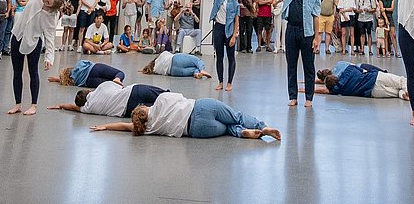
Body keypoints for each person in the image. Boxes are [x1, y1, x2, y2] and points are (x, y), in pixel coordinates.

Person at [88, 92, 281, 142]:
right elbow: (180, 97)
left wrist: (105, 126)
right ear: (145, 108)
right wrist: (105, 125)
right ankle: (262, 126)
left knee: (227, 130)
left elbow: (124, 126)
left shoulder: (148, 128)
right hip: (200, 107)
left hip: (196, 130)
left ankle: (244, 133)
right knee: (236, 116)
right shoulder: (161, 100)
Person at [6, 0, 58, 115]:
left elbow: (50, 37)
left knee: (33, 72)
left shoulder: (50, 17)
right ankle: (18, 103)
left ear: (51, 7)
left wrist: (49, 57)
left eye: (48, 1)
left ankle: (34, 105)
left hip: (33, 42)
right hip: (17, 35)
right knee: (17, 71)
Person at [276, 0, 321, 108]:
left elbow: (316, 17)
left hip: (307, 33)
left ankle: (309, 98)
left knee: (309, 66)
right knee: (291, 65)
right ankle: (293, 96)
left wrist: (317, 38)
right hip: (291, 30)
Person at [49, 78, 168, 117]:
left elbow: (74, 108)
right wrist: (60, 104)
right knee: (166, 95)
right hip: (134, 91)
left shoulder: (89, 108)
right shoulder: (102, 86)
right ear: (89, 91)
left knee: (161, 109)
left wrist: (61, 106)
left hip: (128, 109)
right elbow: (119, 86)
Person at [316, 60, 407, 99]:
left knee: (396, 93)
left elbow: (324, 91)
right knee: (401, 81)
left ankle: (403, 94)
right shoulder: (349, 70)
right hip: (375, 78)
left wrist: (308, 90)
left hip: (373, 92)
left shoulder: (338, 90)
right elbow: (363, 71)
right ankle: (410, 91)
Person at [210, 0, 241, 91]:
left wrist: (234, 36)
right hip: (218, 28)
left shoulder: (235, 3)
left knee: (231, 57)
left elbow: (237, 21)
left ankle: (229, 82)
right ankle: (220, 82)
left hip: (229, 29)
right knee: (219, 56)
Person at [52, 59, 125, 87]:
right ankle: (118, 78)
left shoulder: (74, 82)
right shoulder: (78, 65)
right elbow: (87, 62)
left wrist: (58, 79)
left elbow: (68, 80)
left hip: (89, 82)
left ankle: (115, 83)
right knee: (119, 73)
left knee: (112, 85)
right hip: (94, 69)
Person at [143, 50, 212, 78]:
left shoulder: (155, 70)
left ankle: (197, 73)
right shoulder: (163, 54)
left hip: (173, 72)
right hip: (175, 59)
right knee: (197, 60)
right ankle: (202, 70)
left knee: (193, 70)